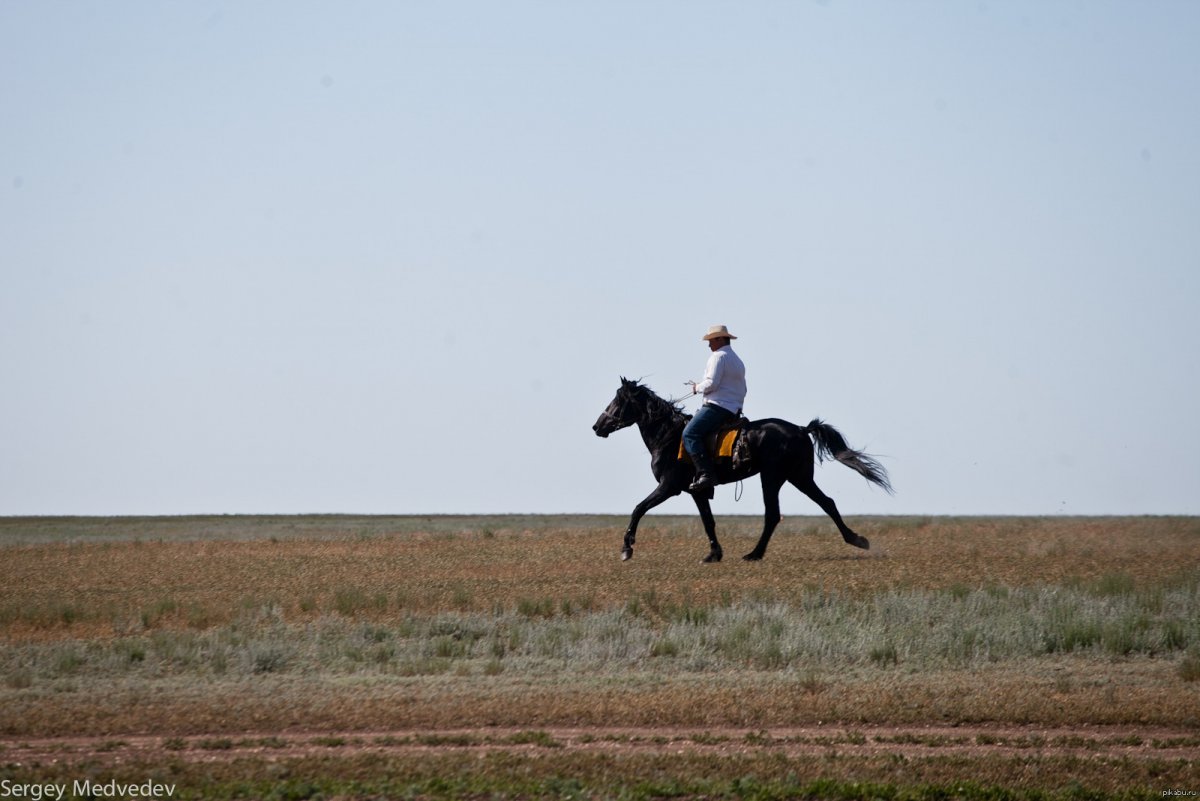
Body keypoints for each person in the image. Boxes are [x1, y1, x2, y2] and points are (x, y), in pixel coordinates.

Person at [683, 324, 747, 492]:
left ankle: (705, 474)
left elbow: (711, 383)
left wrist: (697, 387)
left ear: (720, 339)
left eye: (711, 340)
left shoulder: (718, 357)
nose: (709, 344)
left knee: (689, 434)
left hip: (717, 407)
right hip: (733, 409)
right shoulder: (737, 360)